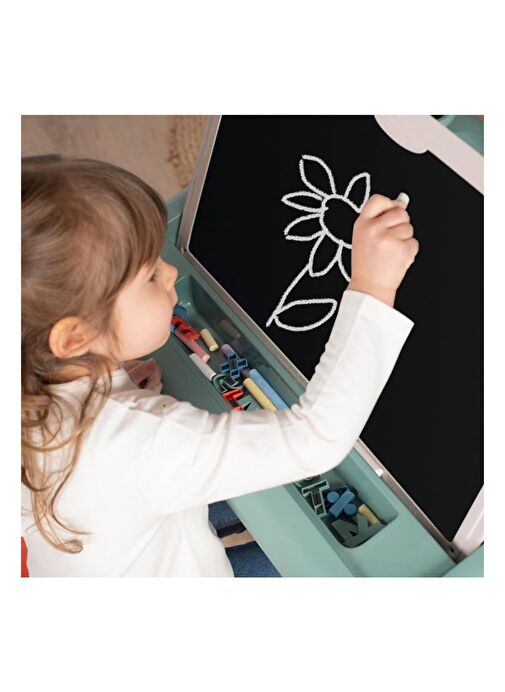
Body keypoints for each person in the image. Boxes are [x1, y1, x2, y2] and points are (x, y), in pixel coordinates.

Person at [21, 155, 419, 577]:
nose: (170, 273)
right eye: (150, 276)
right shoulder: (148, 443)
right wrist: (373, 285)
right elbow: (316, 439)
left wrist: (114, 386)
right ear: (75, 337)